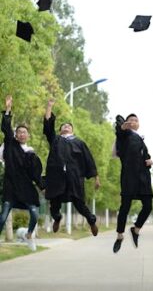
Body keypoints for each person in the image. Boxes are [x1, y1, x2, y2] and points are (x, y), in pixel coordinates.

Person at [43, 99, 100, 236]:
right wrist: (49, 107)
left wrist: (96, 178)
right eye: (63, 126)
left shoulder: (79, 143)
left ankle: (91, 221)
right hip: (56, 177)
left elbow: (89, 160)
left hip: (74, 178)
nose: (66, 127)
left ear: (72, 130)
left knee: (80, 204)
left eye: (69, 126)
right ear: (60, 130)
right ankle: (57, 218)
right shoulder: (55, 139)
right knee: (54, 205)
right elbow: (48, 126)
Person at [0, 95, 44, 251]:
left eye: (24, 132)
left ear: (28, 135)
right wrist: (8, 109)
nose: (22, 134)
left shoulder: (31, 153)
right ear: (16, 135)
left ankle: (29, 234)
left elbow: (35, 173)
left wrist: (42, 186)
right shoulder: (11, 145)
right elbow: (6, 127)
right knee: (3, 216)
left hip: (26, 187)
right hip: (11, 186)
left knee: (34, 214)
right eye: (19, 132)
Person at [113, 114, 153, 253]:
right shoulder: (125, 135)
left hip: (143, 177)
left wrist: (150, 161)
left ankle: (136, 230)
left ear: (139, 124)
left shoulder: (141, 139)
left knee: (148, 206)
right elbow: (119, 129)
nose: (133, 122)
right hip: (129, 176)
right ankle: (119, 236)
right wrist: (123, 127)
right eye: (131, 120)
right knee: (125, 207)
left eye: (136, 120)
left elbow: (146, 157)